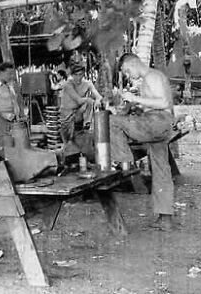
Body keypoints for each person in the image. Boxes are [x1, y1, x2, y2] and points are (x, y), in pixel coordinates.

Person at [109, 53, 176, 231]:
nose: (127, 75)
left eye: (126, 71)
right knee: (162, 169)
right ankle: (165, 218)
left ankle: (125, 163)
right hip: (160, 125)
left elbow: (163, 102)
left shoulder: (152, 76)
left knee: (112, 122)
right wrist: (138, 107)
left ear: (133, 63)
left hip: (157, 122)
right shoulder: (151, 78)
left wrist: (134, 99)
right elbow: (155, 103)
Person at [59, 64, 103, 143]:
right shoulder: (68, 84)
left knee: (90, 103)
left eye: (80, 74)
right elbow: (78, 100)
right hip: (66, 115)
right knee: (68, 142)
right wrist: (90, 100)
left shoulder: (87, 83)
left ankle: (87, 124)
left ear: (83, 74)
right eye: (76, 75)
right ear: (72, 75)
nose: (78, 77)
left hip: (79, 113)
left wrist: (98, 100)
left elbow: (98, 96)